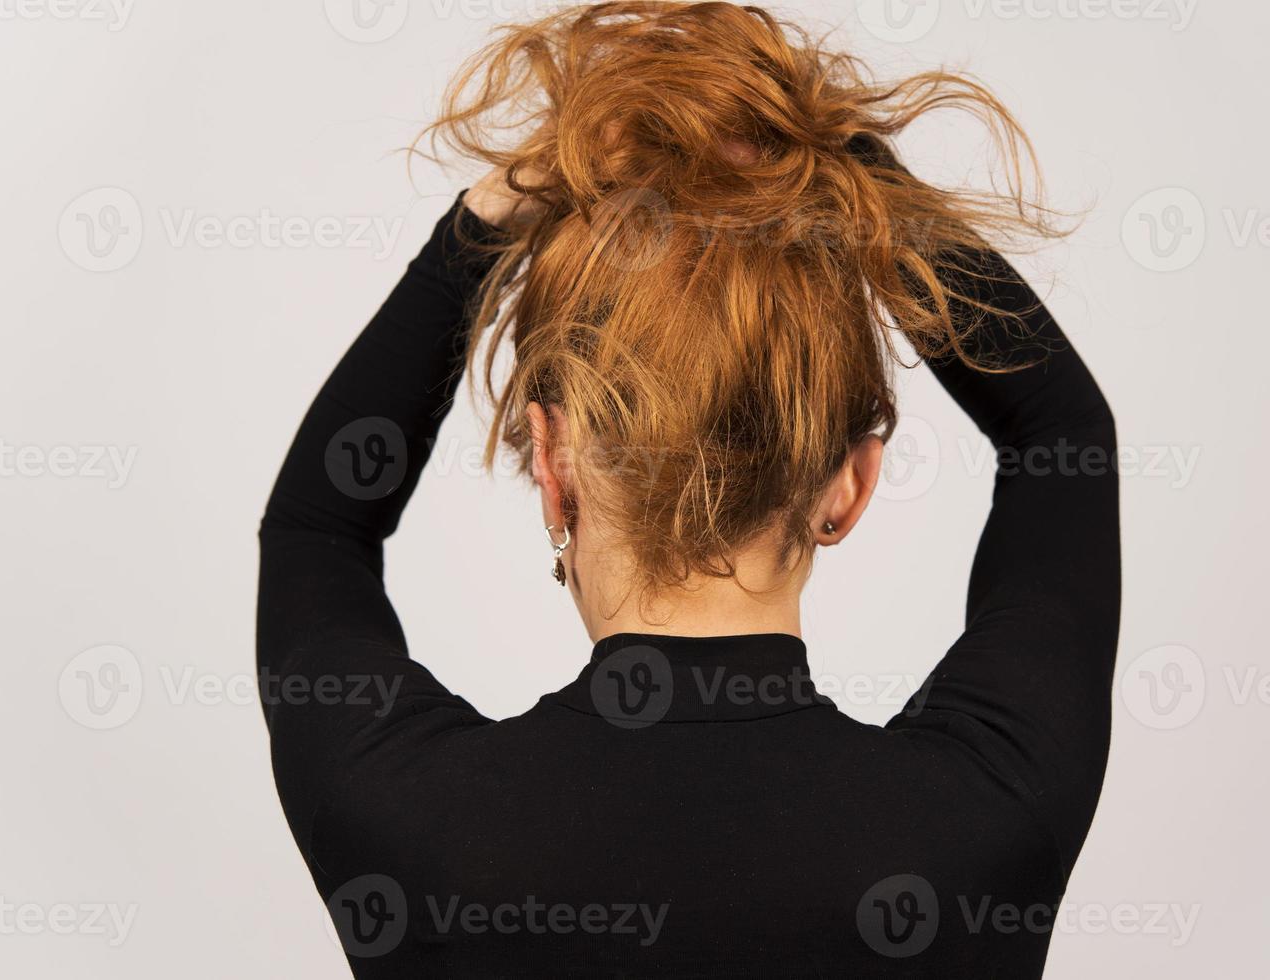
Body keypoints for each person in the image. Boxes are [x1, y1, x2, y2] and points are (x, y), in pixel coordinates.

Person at [257, 3, 1119, 975]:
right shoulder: (988, 814)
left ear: (552, 463)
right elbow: (1061, 433)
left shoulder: (409, 819)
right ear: (851, 480)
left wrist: (481, 226)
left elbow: (316, 529)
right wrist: (842, 163)